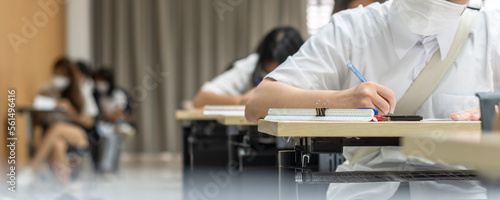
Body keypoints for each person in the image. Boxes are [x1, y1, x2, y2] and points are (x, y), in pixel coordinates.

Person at [246, 0, 500, 199]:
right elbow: (259, 103)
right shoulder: (352, 28)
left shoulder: (491, 31)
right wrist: (338, 101)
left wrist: (494, 114)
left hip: (462, 189)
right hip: (362, 188)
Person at [19, 58, 99, 187]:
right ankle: (66, 186)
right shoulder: (47, 90)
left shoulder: (80, 91)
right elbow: (38, 122)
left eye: (63, 75)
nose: (59, 78)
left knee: (58, 127)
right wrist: (40, 103)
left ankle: (31, 169)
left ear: (70, 76)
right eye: (57, 74)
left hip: (77, 135)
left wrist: (70, 110)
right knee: (58, 144)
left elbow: (89, 122)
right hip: (52, 135)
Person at [192, 26, 304, 108]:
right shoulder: (252, 65)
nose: (271, 78)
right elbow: (200, 99)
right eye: (267, 72)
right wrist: (245, 100)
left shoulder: (307, 68)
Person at [93, 68, 134, 176]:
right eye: (97, 81)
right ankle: (106, 167)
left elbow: (121, 113)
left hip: (117, 124)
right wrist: (108, 116)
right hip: (102, 124)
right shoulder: (97, 95)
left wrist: (111, 117)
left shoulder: (118, 93)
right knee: (112, 136)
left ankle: (107, 167)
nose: (99, 84)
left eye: (102, 80)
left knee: (115, 136)